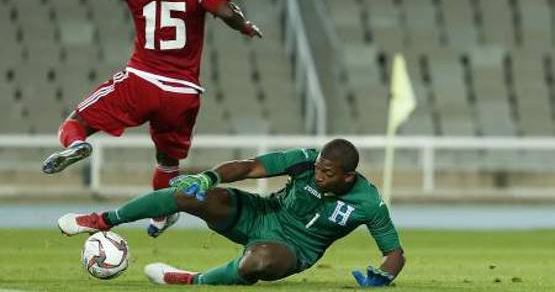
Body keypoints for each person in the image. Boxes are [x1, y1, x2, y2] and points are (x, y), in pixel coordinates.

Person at [42, 0, 262, 237]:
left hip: (142, 82)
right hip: (183, 95)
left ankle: (77, 144)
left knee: (77, 121)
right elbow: (227, 11)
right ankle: (162, 215)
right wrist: (245, 26)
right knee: (168, 162)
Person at [58, 138, 405, 287]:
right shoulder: (307, 159)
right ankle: (103, 220)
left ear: (347, 176)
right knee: (191, 194)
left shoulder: (368, 201)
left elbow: (394, 253)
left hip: (295, 250)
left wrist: (384, 278)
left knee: (258, 263)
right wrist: (208, 176)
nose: (318, 175)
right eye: (317, 168)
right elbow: (251, 167)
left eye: (327, 174)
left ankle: (191, 280)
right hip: (260, 213)